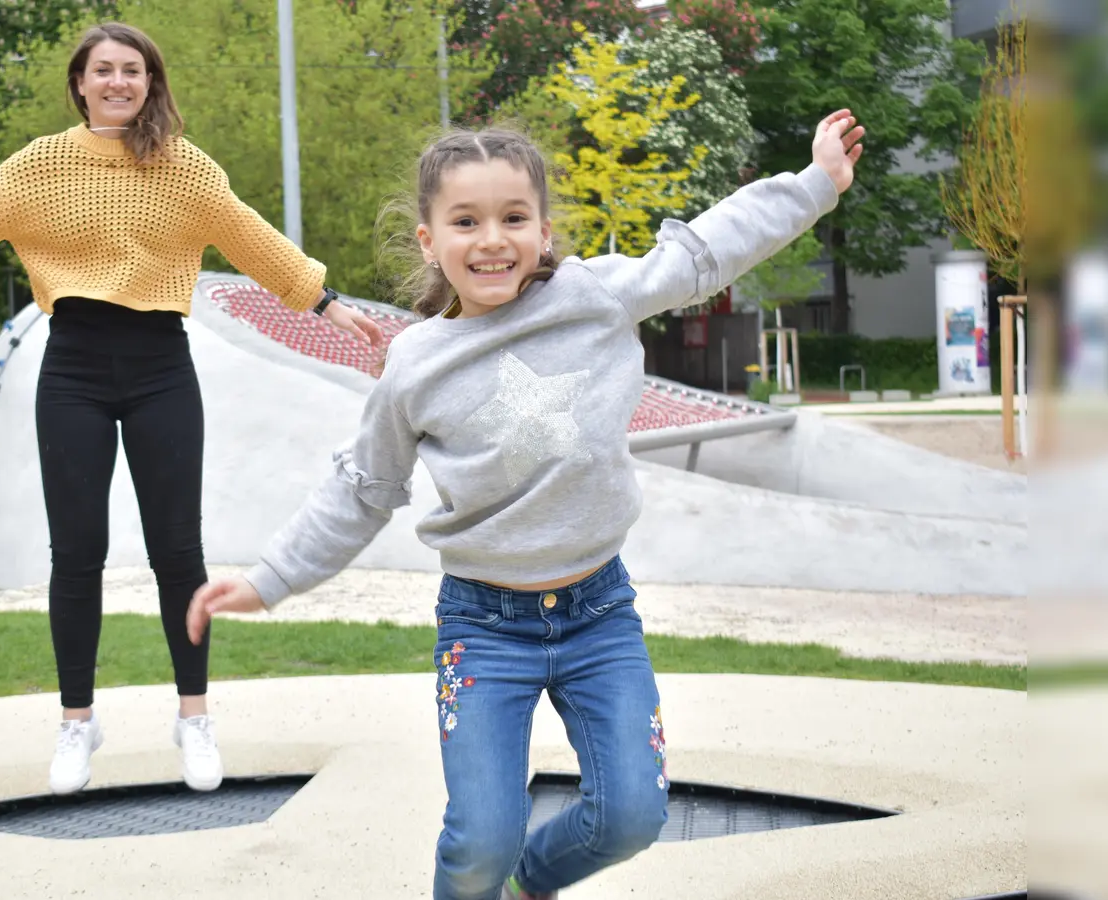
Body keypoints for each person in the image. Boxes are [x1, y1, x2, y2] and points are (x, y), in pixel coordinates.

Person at [186, 111, 865, 899]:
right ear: (428, 240)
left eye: (513, 218)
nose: (492, 240)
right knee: (481, 841)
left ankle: (529, 886)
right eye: (465, 222)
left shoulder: (596, 296)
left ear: (544, 233)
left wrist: (815, 183)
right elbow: (364, 487)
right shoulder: (415, 365)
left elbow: (705, 249)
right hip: (483, 628)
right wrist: (272, 577)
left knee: (632, 817)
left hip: (598, 613)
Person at [0, 22, 384, 797]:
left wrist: (324, 303)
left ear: (151, 82)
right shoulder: (39, 167)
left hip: (161, 368)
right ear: (81, 84)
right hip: (75, 370)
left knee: (176, 553)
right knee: (76, 553)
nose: (119, 83)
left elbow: (252, 239)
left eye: (134, 71)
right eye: (105, 71)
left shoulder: (184, 167)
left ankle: (194, 716)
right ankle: (76, 722)